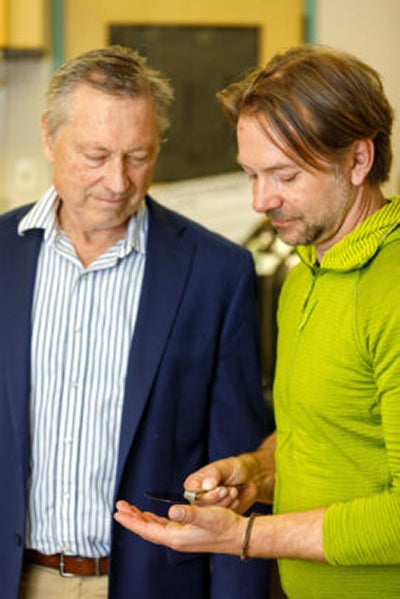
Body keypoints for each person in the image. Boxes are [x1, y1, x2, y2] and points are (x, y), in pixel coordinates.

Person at [114, 45, 400, 598]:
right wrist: (257, 471)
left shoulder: (391, 286)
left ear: (359, 160)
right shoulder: (308, 273)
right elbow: (328, 437)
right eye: (252, 174)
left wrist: (246, 536)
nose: (260, 199)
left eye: (285, 175)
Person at [0, 45, 272, 598]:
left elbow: (239, 474)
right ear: (49, 137)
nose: (119, 181)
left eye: (138, 156)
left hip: (152, 585)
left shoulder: (218, 273)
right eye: (95, 155)